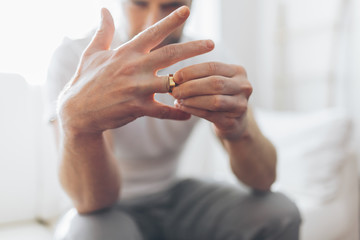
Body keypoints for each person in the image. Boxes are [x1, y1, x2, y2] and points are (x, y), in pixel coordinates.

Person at [45, 1, 301, 239]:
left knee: (278, 212)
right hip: (104, 211)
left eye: (170, 6)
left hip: (173, 194)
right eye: (139, 3)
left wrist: (238, 129)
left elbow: (265, 178)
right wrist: (78, 125)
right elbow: (92, 201)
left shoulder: (209, 57)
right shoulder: (77, 59)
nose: (151, 22)